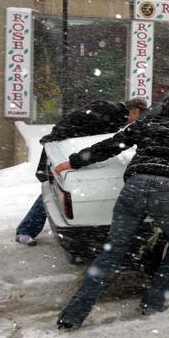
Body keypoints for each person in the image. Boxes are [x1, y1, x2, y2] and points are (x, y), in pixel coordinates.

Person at [53, 87, 169, 330]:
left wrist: (75, 161)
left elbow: (113, 144)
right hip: (166, 193)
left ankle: (73, 315)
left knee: (112, 253)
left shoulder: (148, 123)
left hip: (134, 188)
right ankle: (153, 300)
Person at [15, 97, 148, 246]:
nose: (133, 123)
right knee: (54, 192)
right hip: (64, 152)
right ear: (135, 111)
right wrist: (76, 159)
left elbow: (78, 126)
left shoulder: (112, 110)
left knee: (52, 193)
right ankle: (26, 230)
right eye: (138, 118)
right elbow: (98, 143)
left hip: (62, 148)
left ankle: (26, 230)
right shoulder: (113, 115)